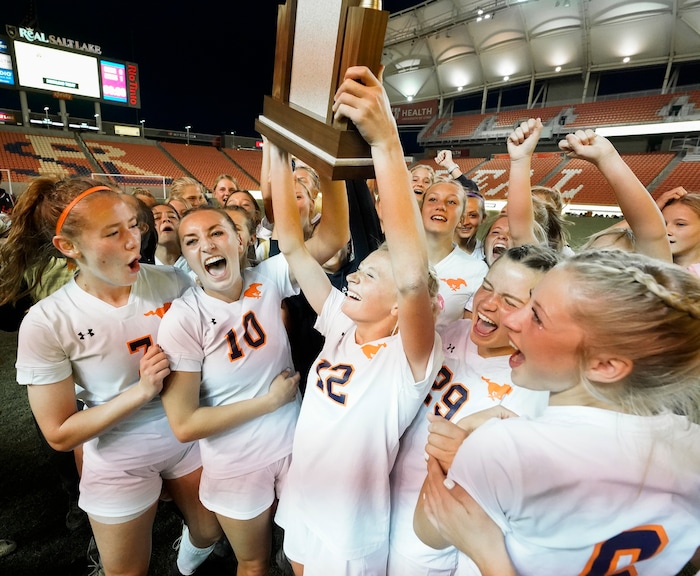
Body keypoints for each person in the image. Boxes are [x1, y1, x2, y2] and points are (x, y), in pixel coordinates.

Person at [415, 249, 700, 576]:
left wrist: (488, 555)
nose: (511, 319)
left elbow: (429, 530)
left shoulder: (504, 448)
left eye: (536, 316)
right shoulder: (691, 446)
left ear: (605, 365)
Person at [0, 177, 223, 576]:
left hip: (185, 432)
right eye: (113, 232)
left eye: (134, 225)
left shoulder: (172, 281)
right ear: (68, 247)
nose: (133, 240)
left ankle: (183, 562)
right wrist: (141, 392)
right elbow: (59, 433)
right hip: (116, 452)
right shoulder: (48, 321)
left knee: (209, 531)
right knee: (126, 571)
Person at [273, 65, 443, 576]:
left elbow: (414, 278)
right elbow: (290, 246)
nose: (353, 277)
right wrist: (278, 148)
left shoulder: (405, 361)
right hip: (304, 496)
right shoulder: (341, 324)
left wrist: (386, 142)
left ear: (399, 307)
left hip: (349, 524)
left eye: (370, 275)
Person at [157, 176, 349, 576]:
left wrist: (333, 169)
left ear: (240, 240)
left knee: (307, 548)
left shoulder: (268, 275)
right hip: (236, 461)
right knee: (254, 561)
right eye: (191, 241)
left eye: (216, 233)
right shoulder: (183, 318)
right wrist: (269, 402)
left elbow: (332, 237)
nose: (206, 245)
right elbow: (184, 424)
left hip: (297, 443)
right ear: (187, 257)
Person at [388, 244, 559, 576]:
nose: (488, 304)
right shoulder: (448, 332)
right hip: (380, 503)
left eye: (510, 301)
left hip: (425, 540)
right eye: (487, 286)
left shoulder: (532, 393)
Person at [420, 177, 488, 326]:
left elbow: (467, 335)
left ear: (461, 217)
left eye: (451, 202)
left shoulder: (476, 270)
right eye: (432, 199)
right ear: (420, 209)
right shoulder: (392, 258)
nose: (440, 206)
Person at [655, 187, 700, 275]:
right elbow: (620, 239)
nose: (666, 231)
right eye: (663, 224)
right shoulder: (648, 268)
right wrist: (651, 211)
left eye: (680, 224)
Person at [151, 202, 196, 279]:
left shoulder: (197, 267)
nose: (166, 219)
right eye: (157, 218)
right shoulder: (141, 273)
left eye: (172, 216)